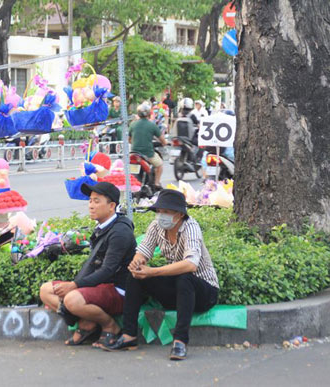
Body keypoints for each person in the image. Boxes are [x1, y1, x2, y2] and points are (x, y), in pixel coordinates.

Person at [101, 189, 219, 361]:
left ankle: (180, 342)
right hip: (179, 292)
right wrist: (137, 263)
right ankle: (129, 336)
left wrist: (153, 271)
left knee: (185, 277)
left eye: (166, 212)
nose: (161, 215)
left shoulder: (191, 227)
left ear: (178, 215)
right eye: (159, 211)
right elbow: (143, 251)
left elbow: (190, 265)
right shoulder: (156, 226)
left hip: (204, 292)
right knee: (135, 276)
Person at [39, 182, 137, 347]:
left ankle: (110, 326)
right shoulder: (102, 227)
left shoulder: (120, 232)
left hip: (118, 290)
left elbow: (108, 270)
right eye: (90, 200)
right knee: (46, 290)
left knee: (71, 299)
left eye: (97, 201)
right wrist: (75, 285)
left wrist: (75, 285)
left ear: (112, 206)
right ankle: (88, 322)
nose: (91, 205)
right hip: (98, 286)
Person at [129, 102, 167, 188]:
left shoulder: (133, 124)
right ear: (149, 113)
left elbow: (129, 139)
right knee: (160, 165)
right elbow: (162, 139)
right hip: (148, 153)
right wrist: (165, 143)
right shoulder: (152, 125)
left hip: (133, 153)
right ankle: (157, 183)